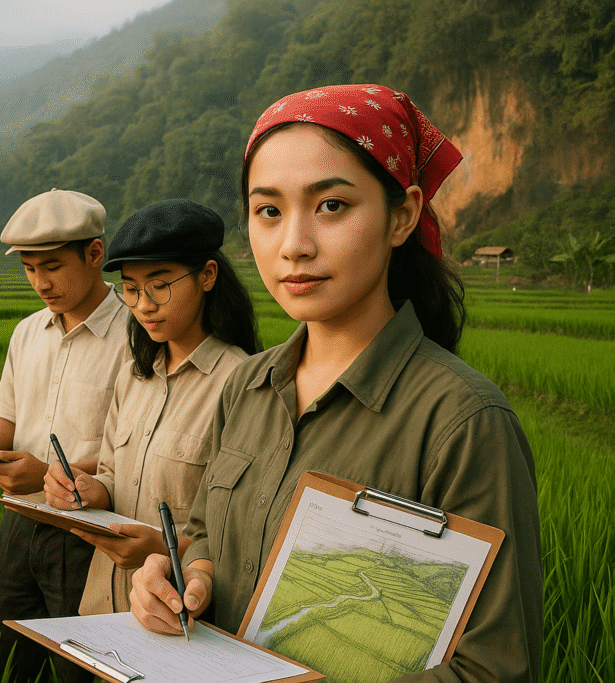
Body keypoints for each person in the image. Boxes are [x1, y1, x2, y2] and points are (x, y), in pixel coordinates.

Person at [128, 84, 543, 682]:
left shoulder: (463, 421)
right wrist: (180, 577)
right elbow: (201, 535)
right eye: (268, 211)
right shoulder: (246, 385)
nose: (293, 245)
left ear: (402, 216)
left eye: (331, 206)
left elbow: (495, 668)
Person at [41, 199, 260, 615]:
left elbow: (244, 528)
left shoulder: (242, 385)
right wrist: (90, 489)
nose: (144, 304)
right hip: (105, 602)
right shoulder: (134, 375)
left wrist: (163, 545)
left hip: (181, 607)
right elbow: (110, 474)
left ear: (207, 276)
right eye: (131, 288)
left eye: (160, 285)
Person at [0, 188, 130, 683]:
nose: (40, 283)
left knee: (80, 668)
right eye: (30, 269)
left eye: (52, 266)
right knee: (12, 658)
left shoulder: (137, 336)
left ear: (94, 254)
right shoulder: (27, 332)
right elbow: (6, 426)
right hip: (19, 523)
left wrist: (49, 474)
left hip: (87, 530)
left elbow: (137, 454)